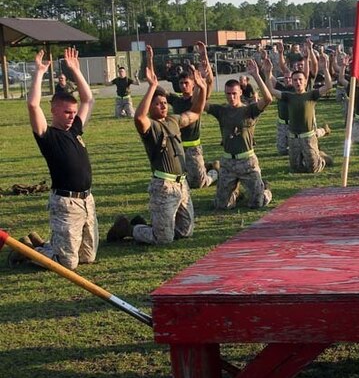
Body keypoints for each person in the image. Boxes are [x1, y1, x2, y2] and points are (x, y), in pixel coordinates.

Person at [110, 46, 207, 245]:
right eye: (158, 103)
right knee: (163, 239)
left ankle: (145, 225)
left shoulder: (173, 121)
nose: (163, 105)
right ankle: (129, 228)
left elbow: (195, 112)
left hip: (182, 184)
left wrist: (203, 89)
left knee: (185, 231)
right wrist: (152, 87)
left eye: (164, 102)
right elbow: (138, 117)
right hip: (163, 185)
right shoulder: (150, 127)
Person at [21, 48, 98, 269]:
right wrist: (38, 72)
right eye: (66, 112)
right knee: (68, 263)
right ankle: (27, 251)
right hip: (66, 203)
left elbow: (88, 100)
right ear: (54, 110)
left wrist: (75, 71)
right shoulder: (48, 135)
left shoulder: (75, 130)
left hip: (86, 201)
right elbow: (33, 105)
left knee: (87, 258)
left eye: (73, 112)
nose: (72, 116)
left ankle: (46, 245)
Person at [205, 60, 274, 209]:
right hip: (228, 163)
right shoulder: (221, 111)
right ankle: (234, 193)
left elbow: (268, 99)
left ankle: (265, 190)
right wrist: (203, 83)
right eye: (228, 94)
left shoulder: (249, 110)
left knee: (258, 203)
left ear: (241, 92)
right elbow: (201, 104)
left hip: (247, 162)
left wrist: (256, 75)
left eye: (234, 93)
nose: (231, 97)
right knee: (222, 206)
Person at [265, 52, 334, 173]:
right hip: (293, 138)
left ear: (305, 81)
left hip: (308, 137)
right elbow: (270, 90)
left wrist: (325, 68)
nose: (298, 82)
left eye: (300, 80)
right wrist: (267, 73)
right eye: (295, 80)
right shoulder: (288, 96)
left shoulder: (311, 95)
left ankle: (322, 158)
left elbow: (328, 86)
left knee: (313, 169)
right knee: (295, 168)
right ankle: (306, 156)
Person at [166, 44, 217, 188]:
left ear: (193, 84)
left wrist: (203, 56)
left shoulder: (196, 99)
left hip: (193, 148)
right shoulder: (176, 99)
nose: (183, 86)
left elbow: (209, 81)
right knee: (178, 180)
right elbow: (159, 91)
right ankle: (200, 169)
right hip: (177, 146)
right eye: (181, 83)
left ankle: (214, 171)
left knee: (199, 183)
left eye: (186, 83)